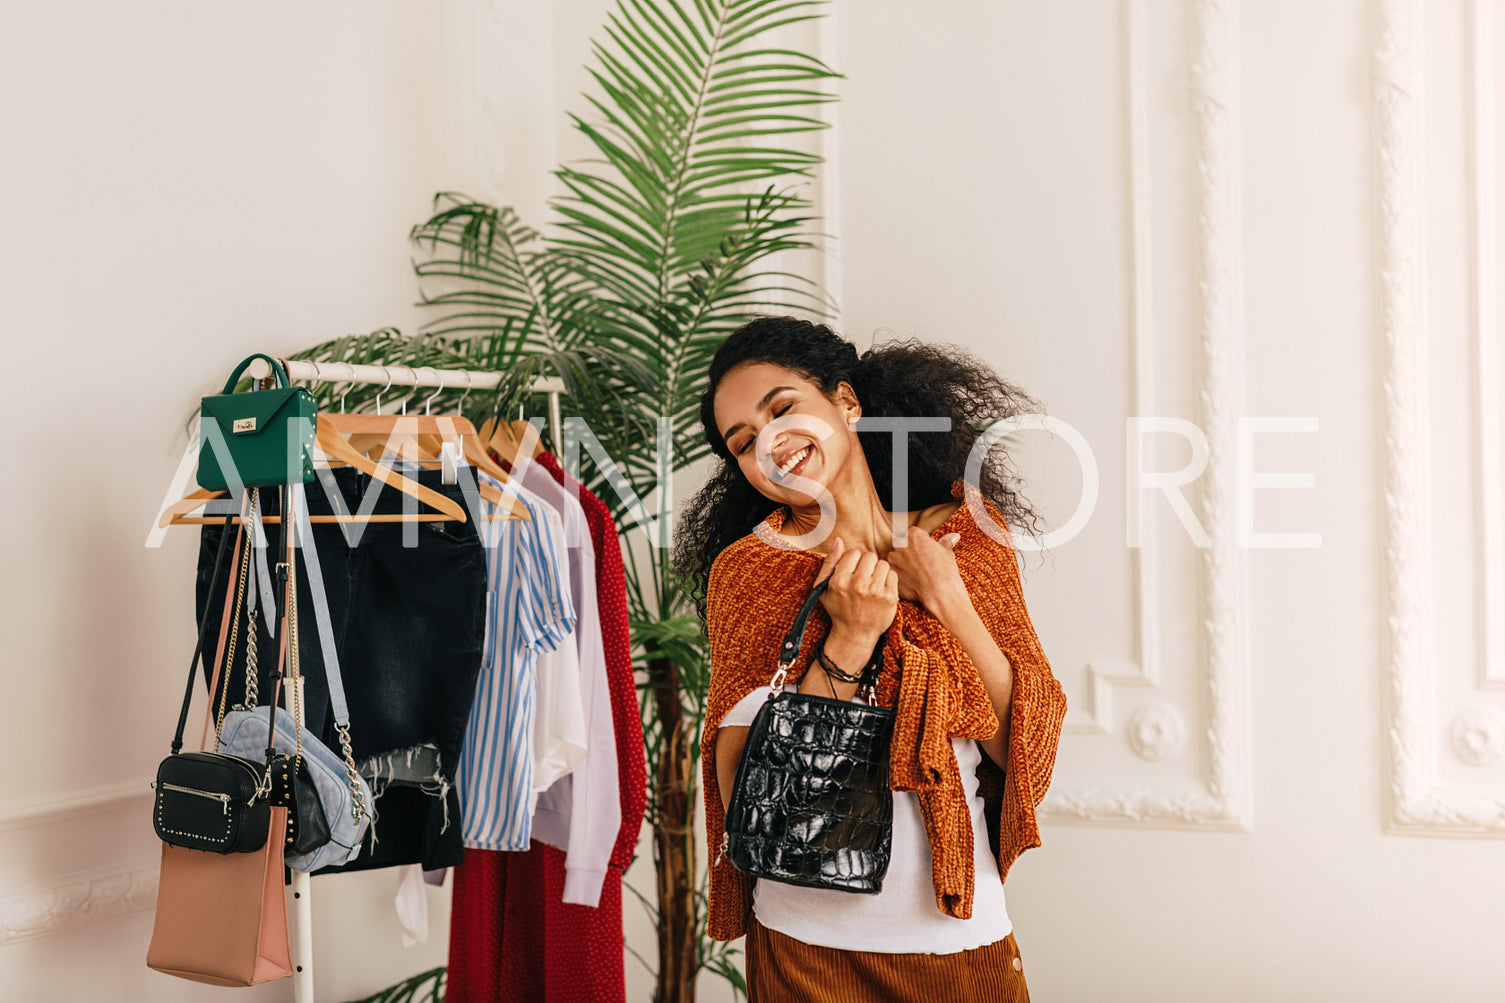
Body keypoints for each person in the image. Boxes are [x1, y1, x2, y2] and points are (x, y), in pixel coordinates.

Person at [673, 316, 1069, 1002]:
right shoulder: (749, 571)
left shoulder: (968, 535)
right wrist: (849, 640)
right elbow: (744, 789)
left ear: (846, 402)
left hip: (959, 935)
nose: (768, 443)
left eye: (782, 407)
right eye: (742, 442)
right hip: (806, 950)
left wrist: (947, 596)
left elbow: (1023, 747)